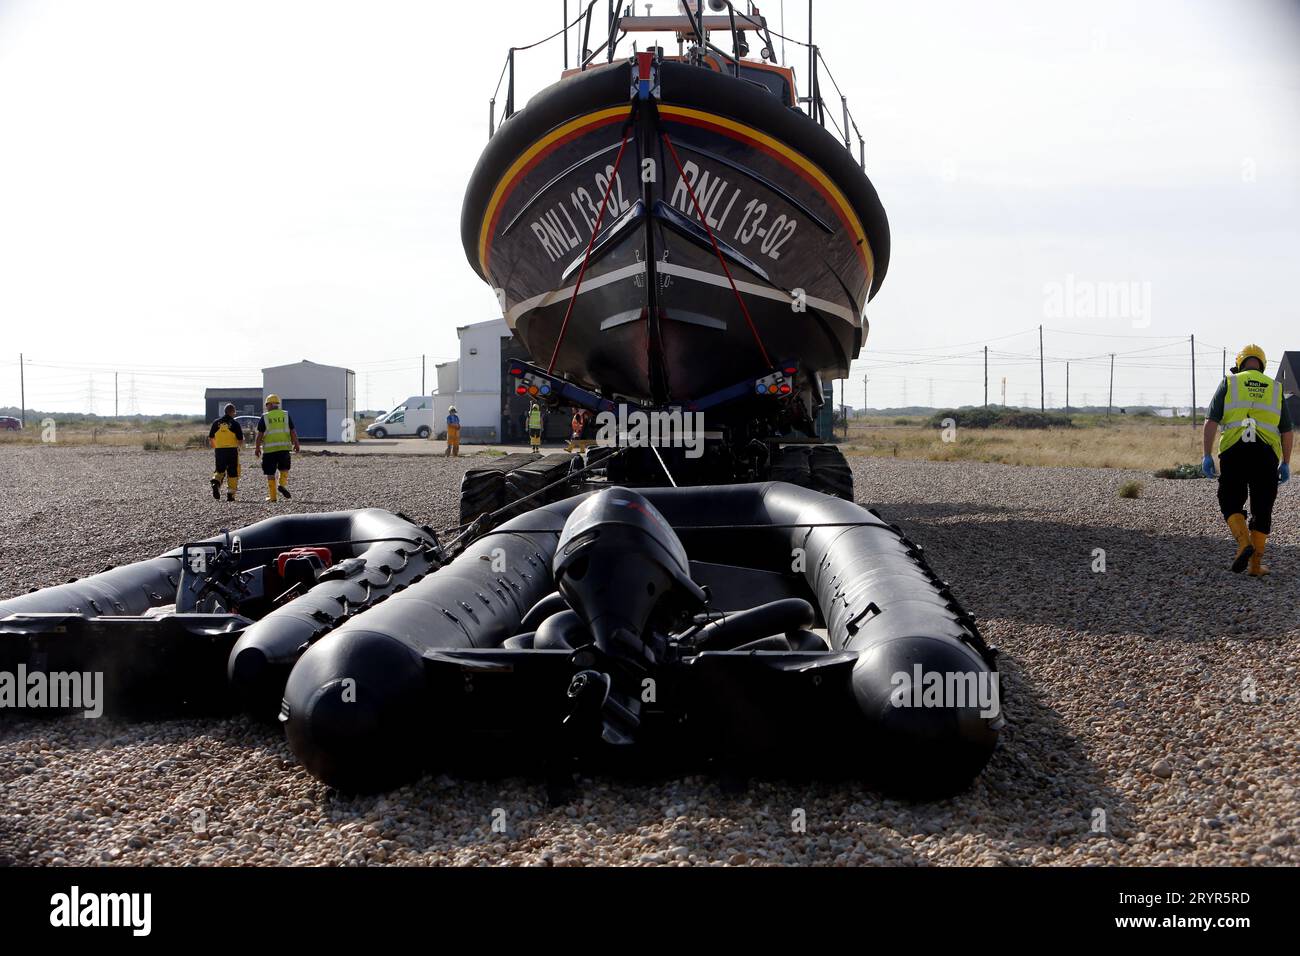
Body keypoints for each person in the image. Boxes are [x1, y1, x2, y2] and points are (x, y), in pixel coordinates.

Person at [1201, 343, 1292, 576]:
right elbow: (1287, 431)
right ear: (1262, 364)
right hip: (1266, 454)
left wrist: (1206, 455)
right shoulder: (1275, 388)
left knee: (1229, 499)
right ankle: (1255, 566)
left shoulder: (1229, 382)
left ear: (1240, 363)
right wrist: (1286, 463)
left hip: (1234, 451)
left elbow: (1211, 421)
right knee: (1263, 507)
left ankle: (1243, 544)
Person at [255, 393, 300, 503]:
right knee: (284, 468)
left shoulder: (265, 417)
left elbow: (260, 434)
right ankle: (282, 485)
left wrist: (257, 447)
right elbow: (292, 430)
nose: (266, 407)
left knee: (270, 473)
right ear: (277, 404)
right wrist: (296, 443)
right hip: (284, 448)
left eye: (267, 405)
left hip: (269, 450)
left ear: (270, 404)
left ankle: (273, 497)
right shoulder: (285, 415)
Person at [207, 403, 243, 501]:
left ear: (225, 411)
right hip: (232, 451)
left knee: (219, 470)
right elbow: (240, 439)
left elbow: (211, 437)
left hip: (219, 450)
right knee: (233, 472)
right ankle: (230, 494)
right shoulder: (235, 424)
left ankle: (216, 482)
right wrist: (238, 447)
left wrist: (216, 447)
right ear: (233, 412)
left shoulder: (216, 422)